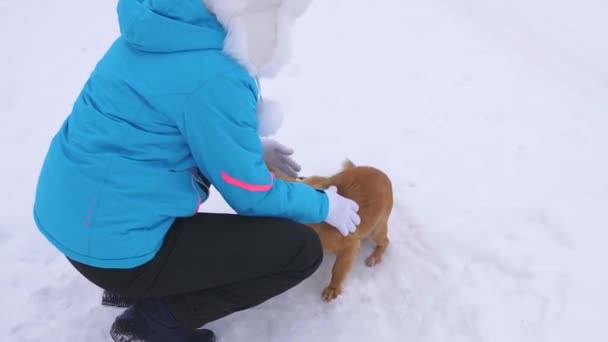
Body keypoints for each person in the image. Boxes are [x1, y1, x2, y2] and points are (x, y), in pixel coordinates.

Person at [32, 0, 361, 341]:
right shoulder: (218, 71)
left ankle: (140, 284)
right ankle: (154, 322)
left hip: (71, 218)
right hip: (114, 246)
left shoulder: (162, 28)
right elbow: (252, 196)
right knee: (299, 250)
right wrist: (324, 204)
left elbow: (162, 118)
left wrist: (245, 147)